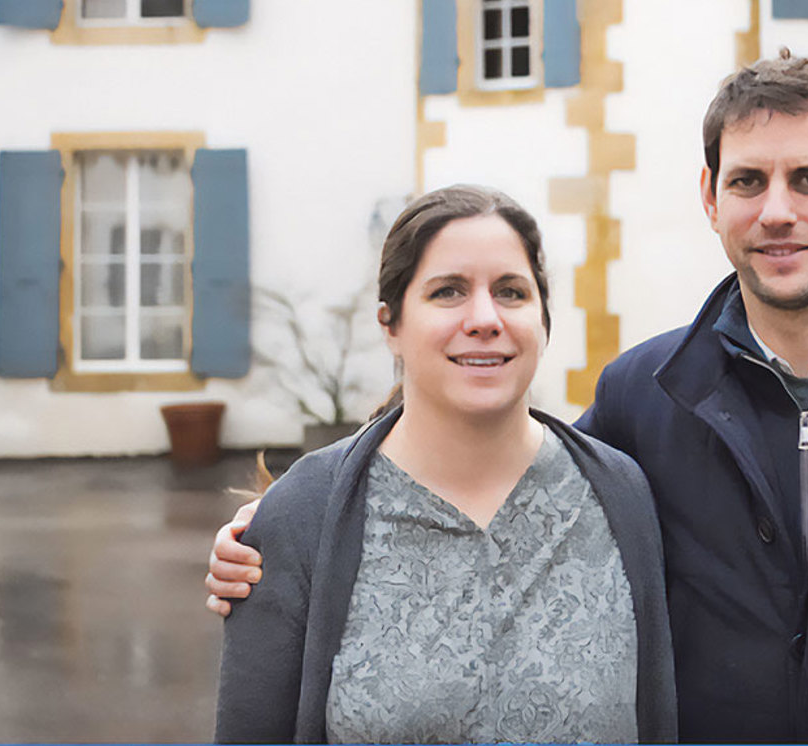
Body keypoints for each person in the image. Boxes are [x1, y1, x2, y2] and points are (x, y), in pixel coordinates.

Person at [209, 55, 808, 743]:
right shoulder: (644, 400)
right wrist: (304, 523)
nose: (778, 210)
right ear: (711, 198)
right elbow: (495, 467)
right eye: (748, 181)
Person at [213, 185, 676, 744]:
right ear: (391, 324)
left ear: (543, 319)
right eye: (448, 292)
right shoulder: (304, 516)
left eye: (510, 291)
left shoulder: (619, 494)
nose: (484, 318)